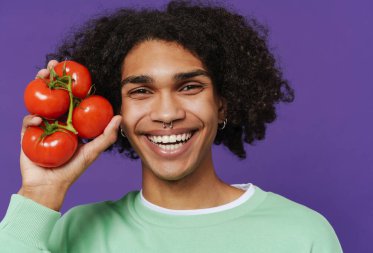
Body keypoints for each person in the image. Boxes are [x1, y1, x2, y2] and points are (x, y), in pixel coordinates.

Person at [0, 1, 343, 252]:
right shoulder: (75, 231)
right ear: (115, 111)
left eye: (190, 87)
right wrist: (40, 192)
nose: (167, 113)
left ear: (222, 102)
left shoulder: (301, 234)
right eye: (141, 91)